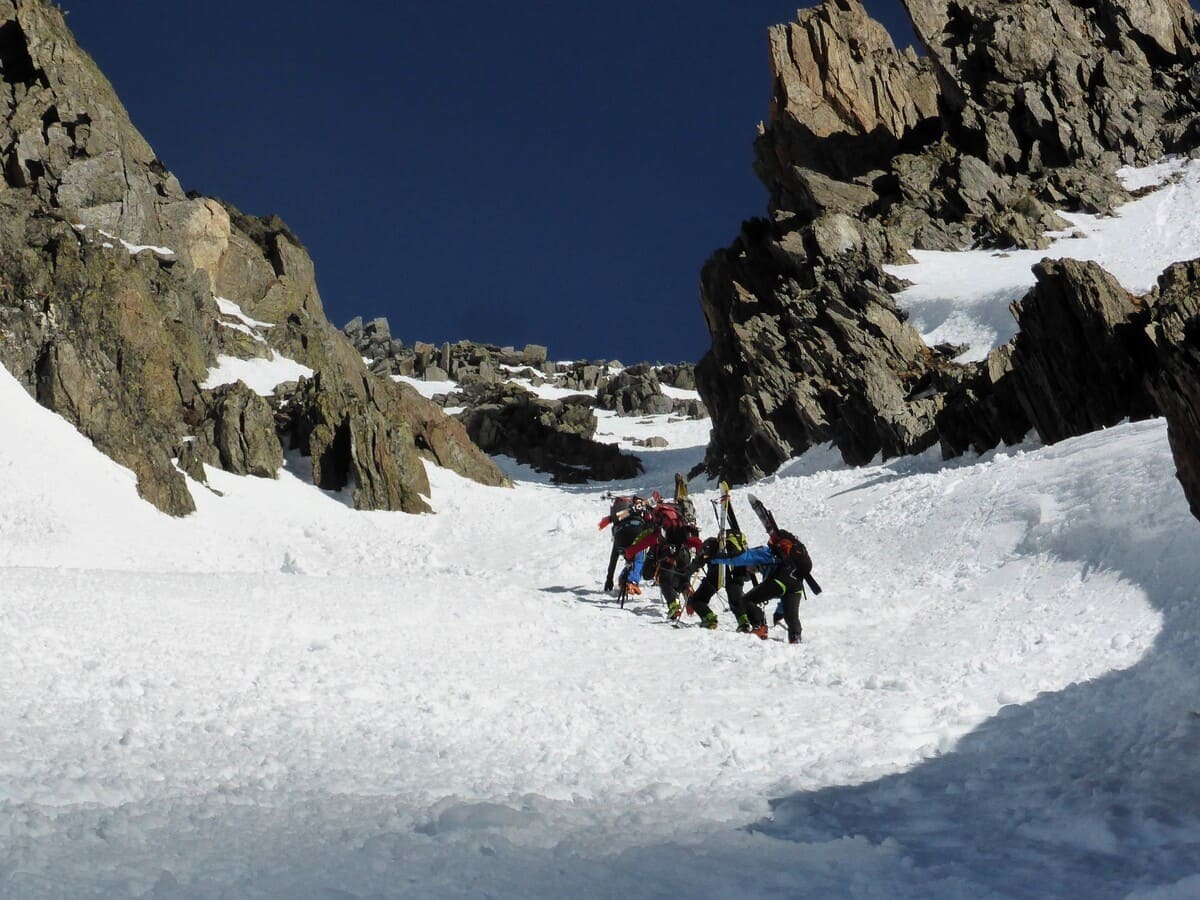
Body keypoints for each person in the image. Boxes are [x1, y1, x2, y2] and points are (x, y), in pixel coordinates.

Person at [714, 529, 813, 644]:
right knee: (792, 617)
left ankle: (759, 626)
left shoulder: (765, 552)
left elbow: (740, 558)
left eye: (747, 567)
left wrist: (714, 558)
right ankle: (796, 638)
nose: (749, 570)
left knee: (746, 600)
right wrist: (779, 614)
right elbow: (786, 595)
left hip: (780, 581)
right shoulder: (785, 560)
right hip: (796, 586)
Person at [622, 499, 702, 615]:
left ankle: (674, 605)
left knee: (665, 581)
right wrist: (699, 555)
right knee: (680, 578)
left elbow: (641, 544)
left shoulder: (658, 530)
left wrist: (629, 555)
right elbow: (694, 541)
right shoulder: (679, 524)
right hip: (684, 554)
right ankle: (686, 589)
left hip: (668, 555)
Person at [687, 534, 765, 635]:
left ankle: (709, 618)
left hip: (717, 574)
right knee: (738, 600)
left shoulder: (709, 544)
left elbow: (698, 562)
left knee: (697, 599)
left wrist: (686, 574)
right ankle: (747, 622)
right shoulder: (732, 546)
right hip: (737, 572)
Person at [599, 495, 651, 593]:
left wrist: (609, 579)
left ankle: (624, 579)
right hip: (637, 533)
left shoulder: (618, 523)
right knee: (640, 557)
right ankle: (632, 581)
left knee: (630, 558)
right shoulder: (637, 512)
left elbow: (613, 559)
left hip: (620, 538)